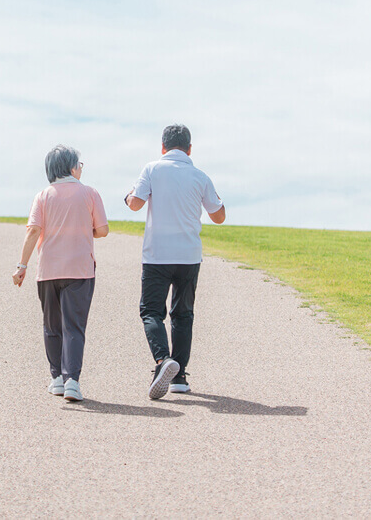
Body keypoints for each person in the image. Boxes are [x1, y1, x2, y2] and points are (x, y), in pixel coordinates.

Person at [125, 124, 225, 399]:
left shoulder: (152, 169)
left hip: (157, 254)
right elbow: (219, 217)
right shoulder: (200, 176)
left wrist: (128, 194)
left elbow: (134, 204)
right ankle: (179, 377)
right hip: (189, 256)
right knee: (183, 314)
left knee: (151, 312)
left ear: (162, 147)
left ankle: (162, 361)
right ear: (190, 148)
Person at [13, 145, 109, 402]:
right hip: (80, 270)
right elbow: (102, 230)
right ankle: (72, 382)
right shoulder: (89, 193)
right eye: (79, 164)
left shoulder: (43, 196)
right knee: (74, 327)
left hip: (48, 271)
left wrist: (21, 266)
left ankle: (56, 378)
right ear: (71, 167)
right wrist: (82, 228)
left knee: (51, 325)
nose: (81, 168)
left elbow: (33, 231)